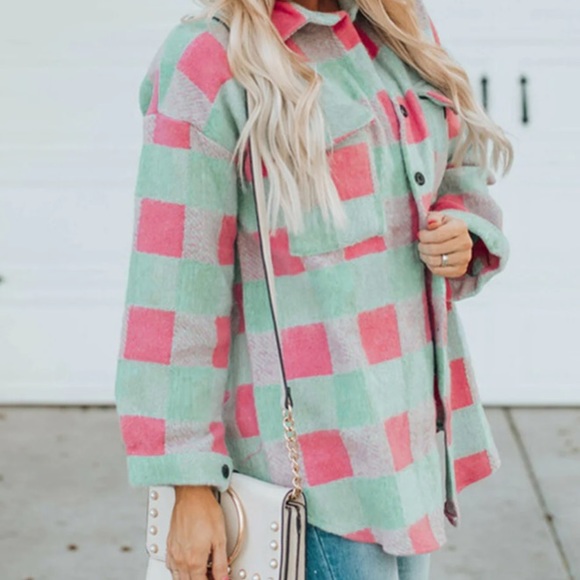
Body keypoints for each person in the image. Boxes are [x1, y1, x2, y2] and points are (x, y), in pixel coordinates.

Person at [114, 0, 513, 577]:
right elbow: (174, 292)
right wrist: (188, 486)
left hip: (410, 455)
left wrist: (463, 229)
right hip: (311, 483)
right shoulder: (209, 61)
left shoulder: (400, 27)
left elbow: (458, 165)